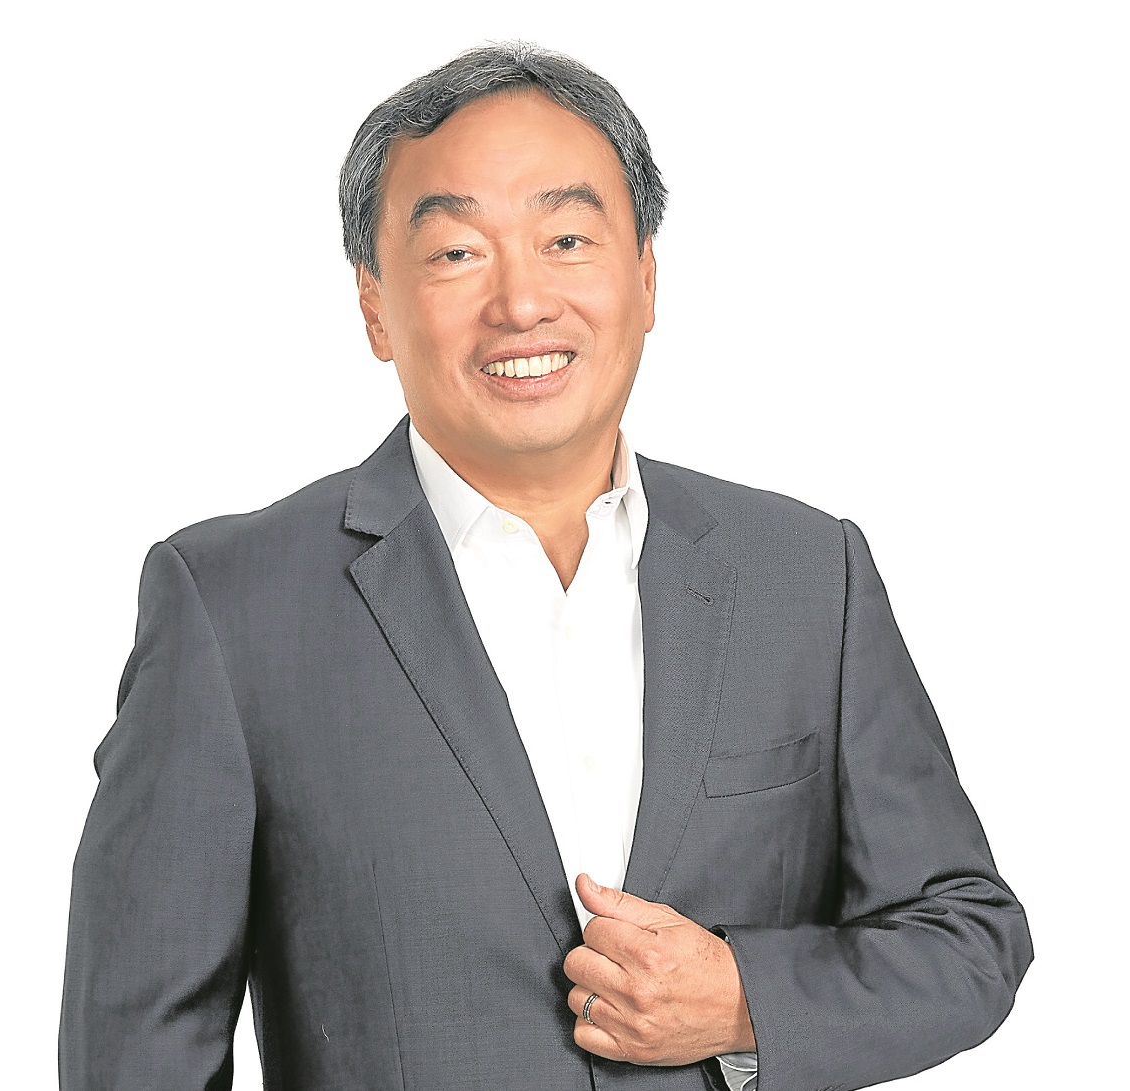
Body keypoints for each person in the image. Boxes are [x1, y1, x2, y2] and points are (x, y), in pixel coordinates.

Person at [59, 43, 1032, 1091]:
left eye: (567, 239)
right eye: (456, 252)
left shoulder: (805, 574)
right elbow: (135, 1054)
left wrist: (744, 998)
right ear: (375, 304)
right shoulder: (232, 606)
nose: (521, 302)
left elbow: (967, 935)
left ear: (646, 276)